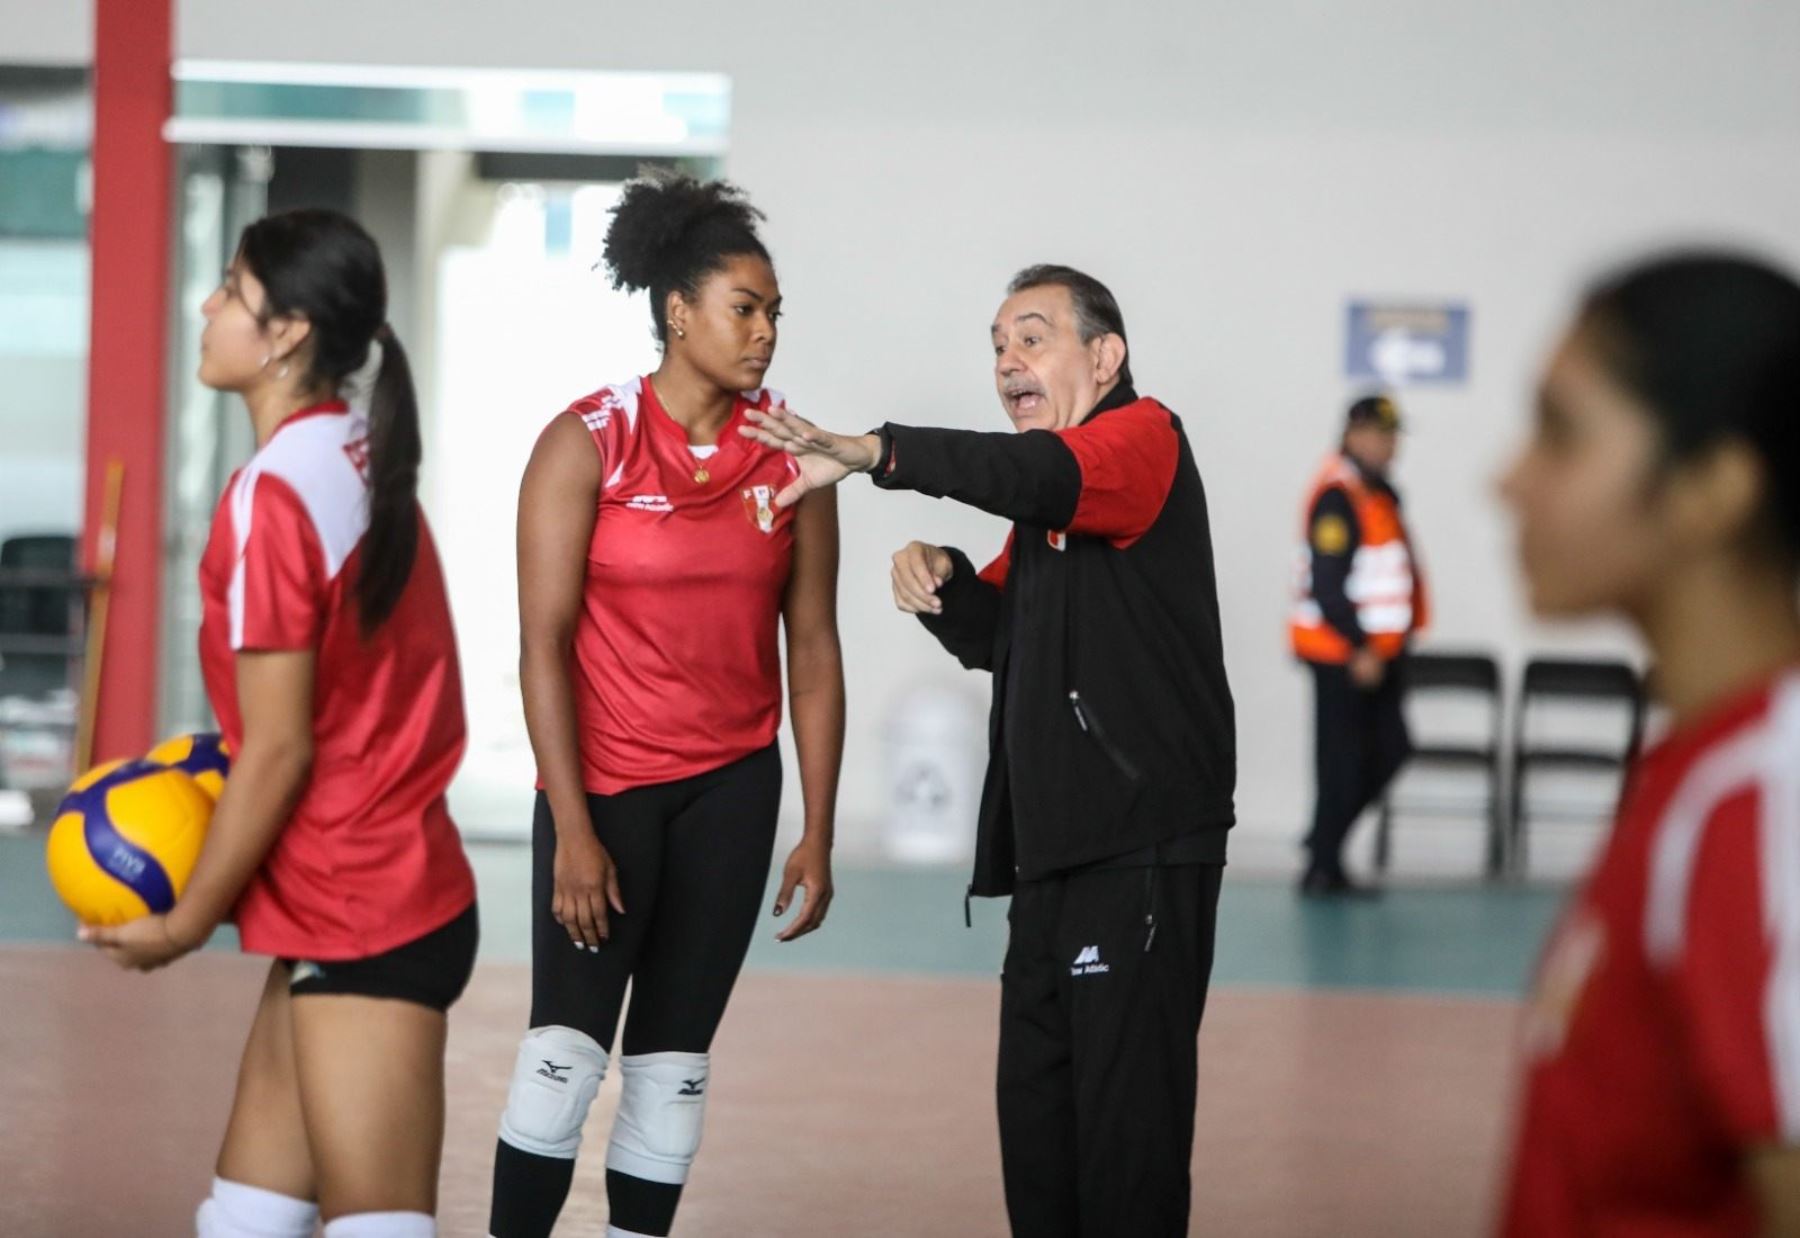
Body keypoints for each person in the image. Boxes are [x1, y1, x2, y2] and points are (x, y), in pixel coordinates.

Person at [737, 264, 1234, 1238]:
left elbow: (1040, 475)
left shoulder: (1141, 440)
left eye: (1033, 337)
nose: (1008, 360)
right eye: (999, 345)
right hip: (1051, 859)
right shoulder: (1051, 505)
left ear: (1105, 355)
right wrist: (947, 583)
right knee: (1040, 1146)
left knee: (1124, 1157)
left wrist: (877, 451)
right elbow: (1004, 632)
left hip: (1137, 853)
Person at [83, 208, 477, 1238]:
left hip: (364, 905)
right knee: (246, 1219)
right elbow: (341, 704)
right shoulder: (356, 454)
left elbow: (283, 749)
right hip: (355, 891)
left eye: (230, 289)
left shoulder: (276, 494)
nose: (206, 306)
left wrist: (180, 924)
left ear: (288, 332)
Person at [487, 172, 844, 1238]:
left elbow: (812, 649)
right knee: (563, 1059)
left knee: (674, 1066)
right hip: (607, 792)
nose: (766, 331)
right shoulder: (585, 441)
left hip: (732, 793)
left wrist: (818, 827)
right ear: (678, 311)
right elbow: (542, 647)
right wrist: (572, 827)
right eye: (746, 308)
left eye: (776, 312)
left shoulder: (792, 454)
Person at [1497, 252, 1800, 1235]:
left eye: (1560, 433)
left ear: (1712, 487)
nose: (1507, 479)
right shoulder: (1695, 771)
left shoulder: (1767, 803)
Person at [1288, 393, 1428, 897]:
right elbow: (1327, 584)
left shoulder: (1378, 492)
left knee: (1388, 749)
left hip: (1379, 652)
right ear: (1353, 436)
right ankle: (1322, 864)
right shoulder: (1338, 496)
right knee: (1343, 763)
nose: (1390, 446)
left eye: (1393, 437)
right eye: (1380, 435)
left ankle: (1323, 846)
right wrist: (1360, 647)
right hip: (1343, 655)